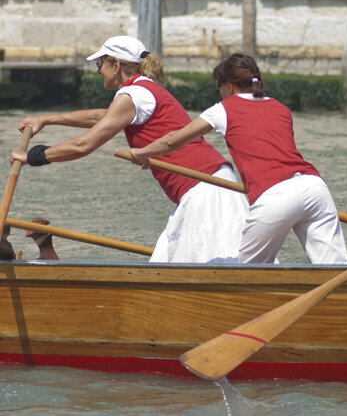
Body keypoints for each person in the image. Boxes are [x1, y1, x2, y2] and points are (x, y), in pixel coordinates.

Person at [10, 36, 247, 263]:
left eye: (100, 64)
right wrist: (47, 119)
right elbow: (100, 117)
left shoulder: (134, 94)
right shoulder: (142, 89)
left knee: (202, 274)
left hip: (206, 190)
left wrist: (32, 157)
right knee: (167, 268)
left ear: (117, 65)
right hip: (206, 184)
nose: (98, 70)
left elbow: (83, 145)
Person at [129, 53, 347, 265]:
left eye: (219, 87)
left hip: (275, 195)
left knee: (245, 272)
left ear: (228, 86)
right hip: (315, 186)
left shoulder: (223, 109)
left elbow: (172, 140)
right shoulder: (281, 108)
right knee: (336, 270)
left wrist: (142, 153)